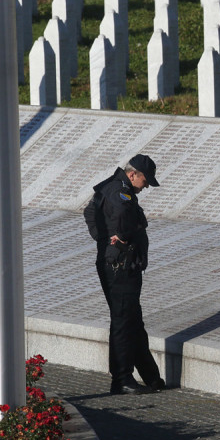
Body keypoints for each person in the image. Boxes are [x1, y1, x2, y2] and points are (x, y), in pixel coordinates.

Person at [88, 154, 166, 395]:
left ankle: (150, 376)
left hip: (118, 263)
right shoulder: (121, 192)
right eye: (145, 180)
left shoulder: (111, 187)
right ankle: (121, 379)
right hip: (121, 265)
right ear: (133, 175)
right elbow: (121, 213)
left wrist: (103, 239)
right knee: (123, 320)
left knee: (132, 319)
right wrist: (117, 239)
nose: (146, 186)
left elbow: (90, 212)